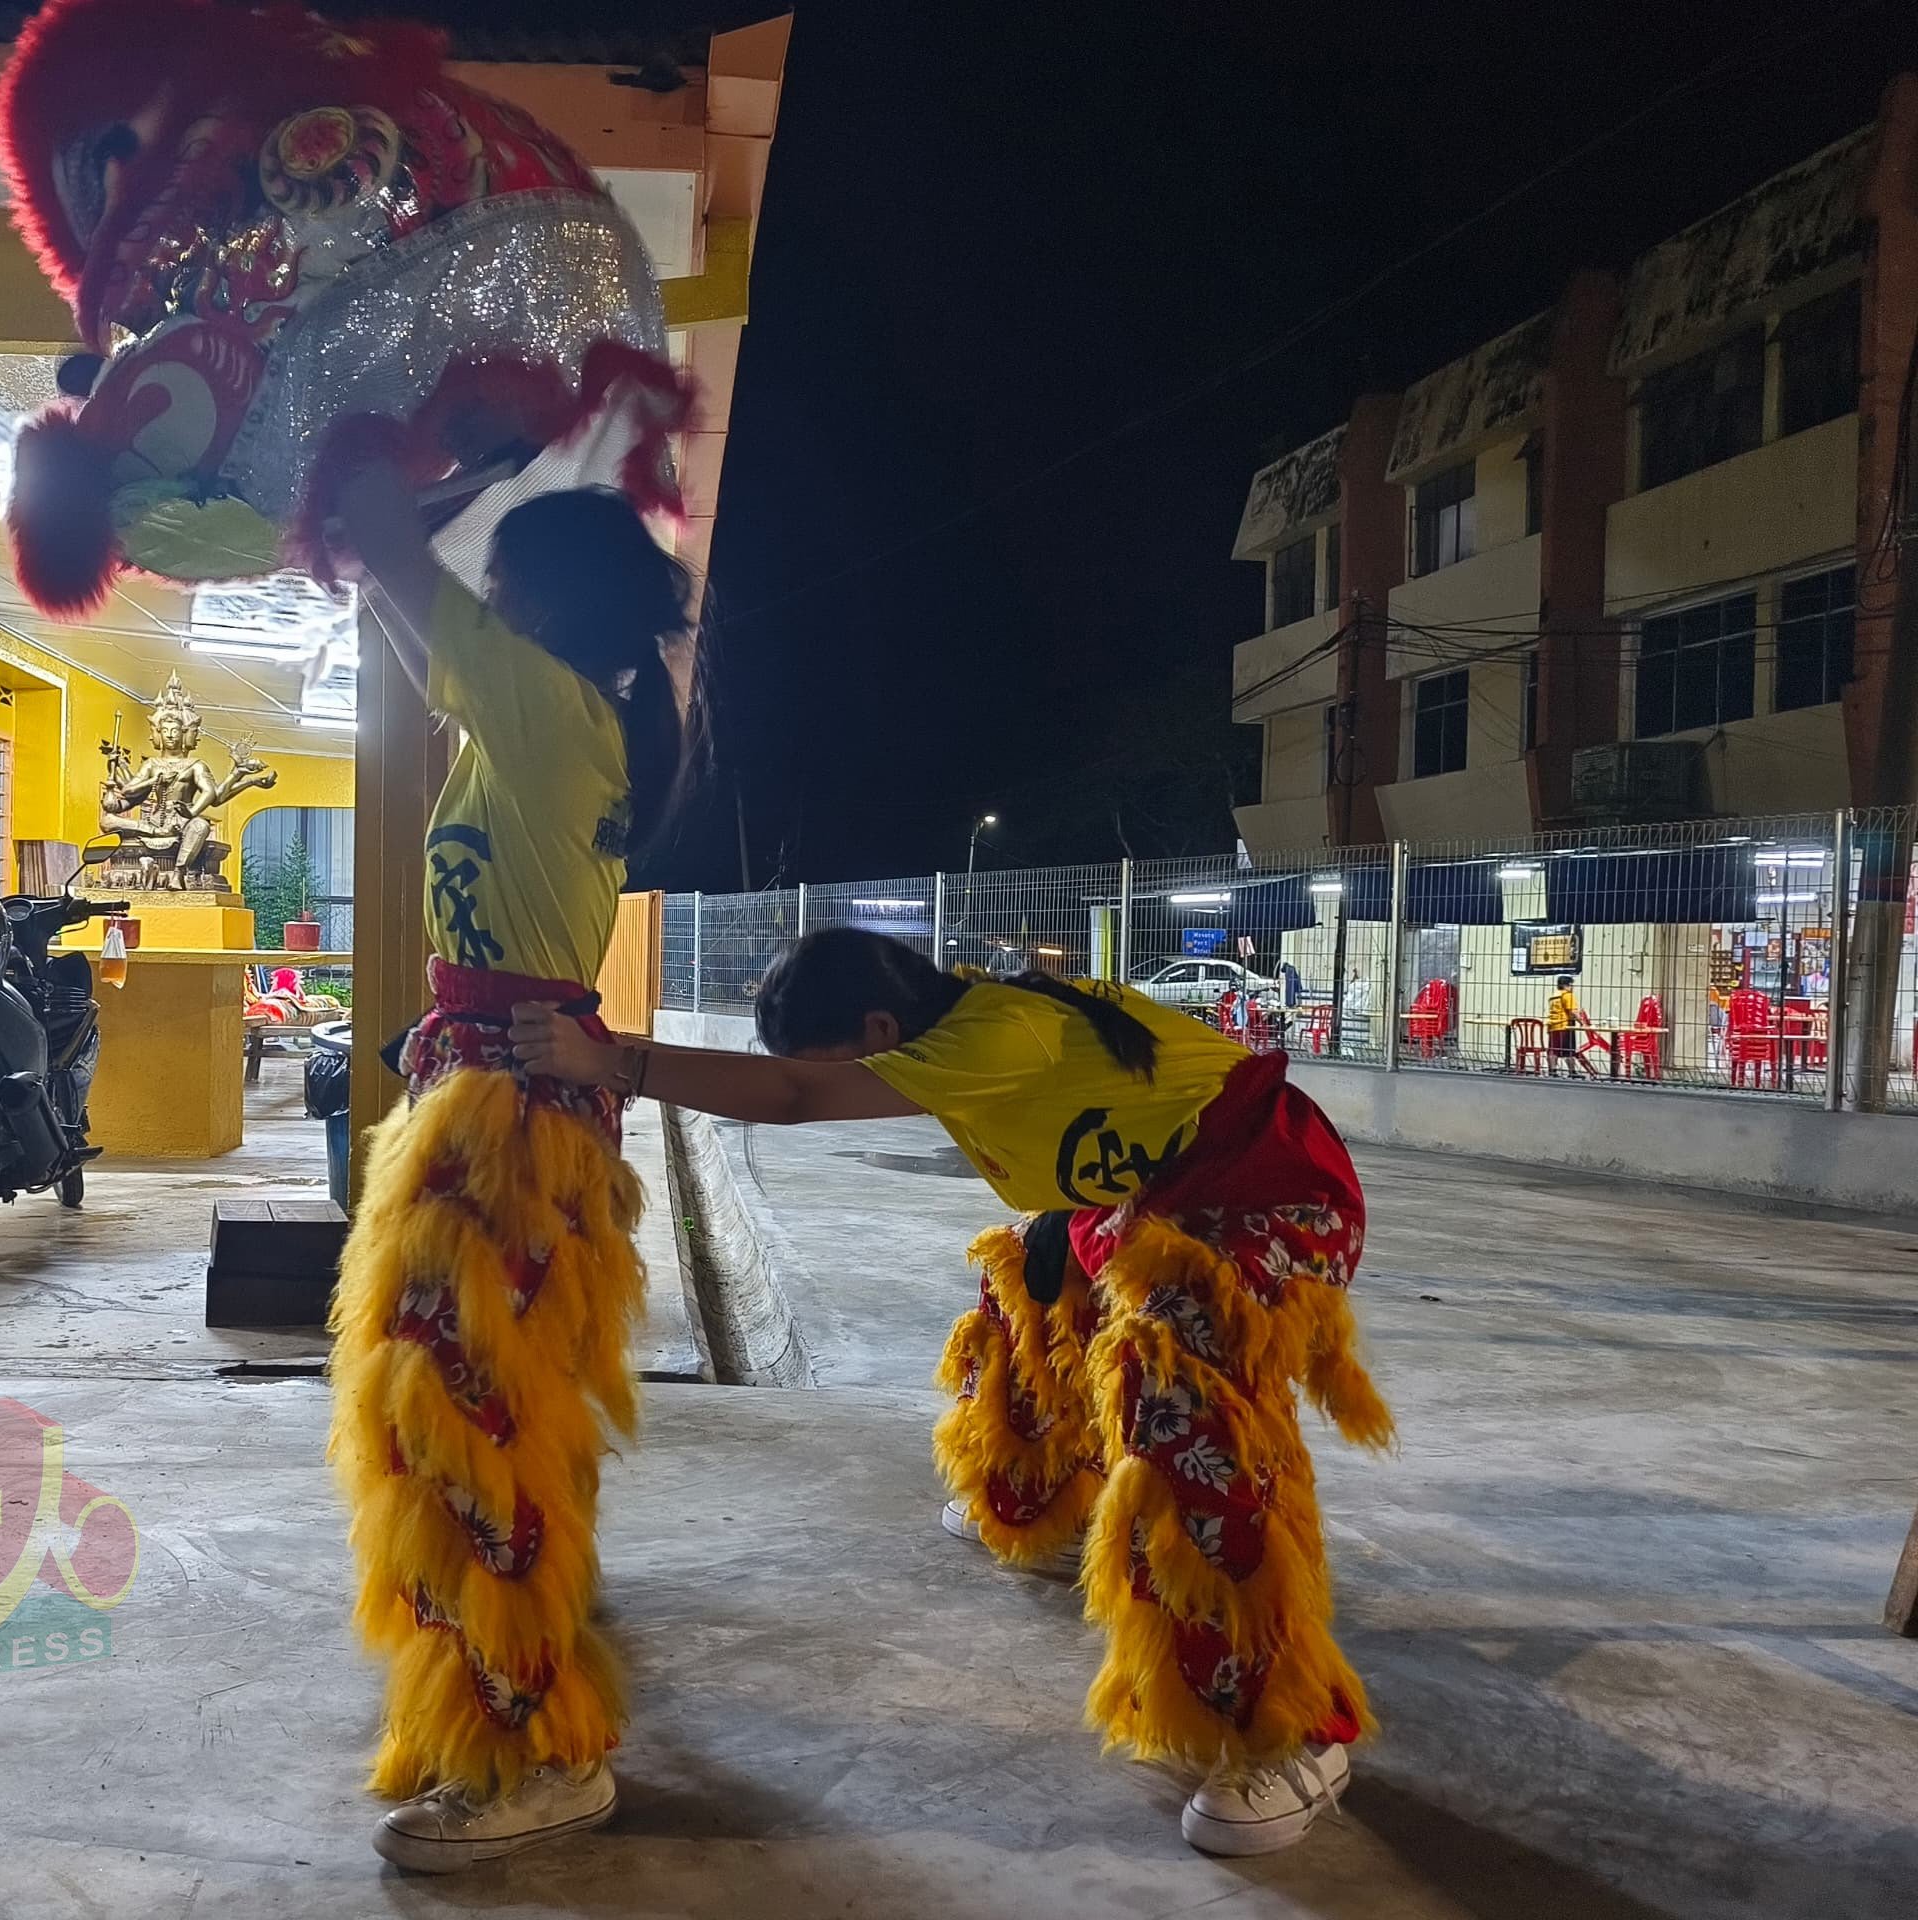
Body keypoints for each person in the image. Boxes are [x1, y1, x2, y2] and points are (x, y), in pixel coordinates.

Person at [511, 930, 1394, 1857]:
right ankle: (1053, 1503)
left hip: (1272, 1192)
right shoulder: (963, 1011)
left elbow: (793, 1098)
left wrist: (612, 1062)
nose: (848, 1081)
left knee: (1181, 1400)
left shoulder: (991, 1034)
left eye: (844, 1056)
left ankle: (1293, 1730)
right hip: (1143, 1197)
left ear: (882, 1026)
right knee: (1026, 1285)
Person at [324, 466, 696, 1872]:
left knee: (469, 1429)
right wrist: (385, 546)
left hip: (509, 1131)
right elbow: (415, 619)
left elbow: (389, 561)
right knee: (488, 1422)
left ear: (550, 604)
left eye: (505, 583)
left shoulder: (549, 712)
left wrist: (369, 475)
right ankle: (510, 1692)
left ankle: (538, 1757)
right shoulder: (536, 719)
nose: (483, 605)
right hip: (493, 1104)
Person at [1547, 973, 1597, 1078]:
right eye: (1571, 985)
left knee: (1553, 1050)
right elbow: (1573, 1012)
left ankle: (1552, 1071)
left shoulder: (1554, 996)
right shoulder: (1568, 995)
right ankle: (1572, 1071)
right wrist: (1583, 1024)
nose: (1572, 987)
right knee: (1569, 1050)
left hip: (1552, 1026)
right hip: (1565, 1026)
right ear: (1566, 985)